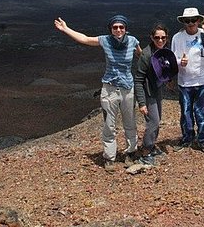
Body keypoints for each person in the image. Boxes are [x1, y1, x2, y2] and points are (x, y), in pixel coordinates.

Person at [54, 15, 142, 172]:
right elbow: (85, 39)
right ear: (111, 29)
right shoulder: (105, 40)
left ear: (126, 29)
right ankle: (109, 157)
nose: (118, 30)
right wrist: (66, 29)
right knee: (109, 124)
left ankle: (131, 153)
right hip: (109, 88)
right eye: (115, 27)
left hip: (128, 88)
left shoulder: (133, 41)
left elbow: (142, 57)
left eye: (121, 27)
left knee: (130, 122)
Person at [171, 7, 204, 153]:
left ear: (199, 20)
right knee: (186, 112)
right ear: (184, 22)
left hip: (203, 81)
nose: (191, 23)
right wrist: (180, 62)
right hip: (185, 82)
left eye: (193, 20)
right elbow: (172, 59)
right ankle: (187, 138)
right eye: (187, 20)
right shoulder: (177, 38)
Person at [134, 23, 178, 166]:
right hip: (148, 93)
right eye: (157, 38)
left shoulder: (162, 51)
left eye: (163, 38)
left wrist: (169, 80)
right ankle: (145, 152)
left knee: (157, 120)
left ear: (167, 38)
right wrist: (141, 103)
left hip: (156, 90)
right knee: (153, 122)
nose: (160, 40)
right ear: (152, 38)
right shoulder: (147, 55)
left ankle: (151, 146)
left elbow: (164, 68)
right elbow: (139, 80)